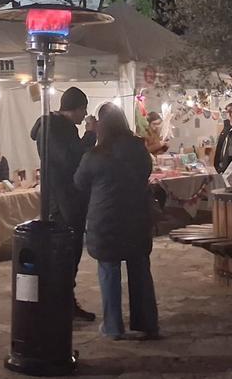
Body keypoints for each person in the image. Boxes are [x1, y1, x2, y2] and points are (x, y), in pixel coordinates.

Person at [74, 102, 159, 340]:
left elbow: (79, 182)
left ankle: (113, 326)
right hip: (136, 216)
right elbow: (146, 172)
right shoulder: (139, 149)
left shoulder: (95, 154)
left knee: (109, 270)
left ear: (101, 125)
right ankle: (147, 323)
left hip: (106, 220)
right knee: (140, 269)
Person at [31, 87, 98, 322]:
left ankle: (66, 302)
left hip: (68, 199)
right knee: (64, 255)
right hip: (62, 202)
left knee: (70, 254)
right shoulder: (53, 129)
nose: (85, 115)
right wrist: (90, 135)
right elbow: (71, 159)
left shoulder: (60, 128)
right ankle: (60, 306)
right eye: (83, 109)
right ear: (76, 108)